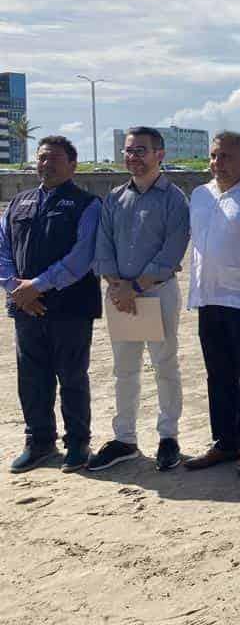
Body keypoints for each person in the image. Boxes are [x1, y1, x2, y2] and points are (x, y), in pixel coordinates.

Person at [89, 126, 191, 472]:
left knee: (165, 365)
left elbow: (172, 249)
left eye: (141, 151)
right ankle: (125, 439)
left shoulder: (175, 199)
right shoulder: (115, 197)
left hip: (157, 293)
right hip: (119, 296)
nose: (133, 157)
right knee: (125, 369)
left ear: (159, 155)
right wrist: (117, 286)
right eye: (129, 151)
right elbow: (103, 245)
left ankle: (168, 437)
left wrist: (135, 287)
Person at [1, 136, 101, 473]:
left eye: (55, 158)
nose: (47, 164)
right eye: (42, 158)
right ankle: (39, 441)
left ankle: (77, 444)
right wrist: (15, 288)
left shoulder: (87, 204)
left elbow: (83, 256)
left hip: (70, 307)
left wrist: (37, 286)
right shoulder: (18, 203)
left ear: (73, 164)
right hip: (25, 309)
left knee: (72, 377)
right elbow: (2, 249)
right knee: (31, 378)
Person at [184, 132, 240, 476]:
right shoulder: (199, 195)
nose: (217, 163)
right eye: (213, 156)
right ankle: (224, 442)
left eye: (226, 157)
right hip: (207, 298)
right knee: (216, 373)